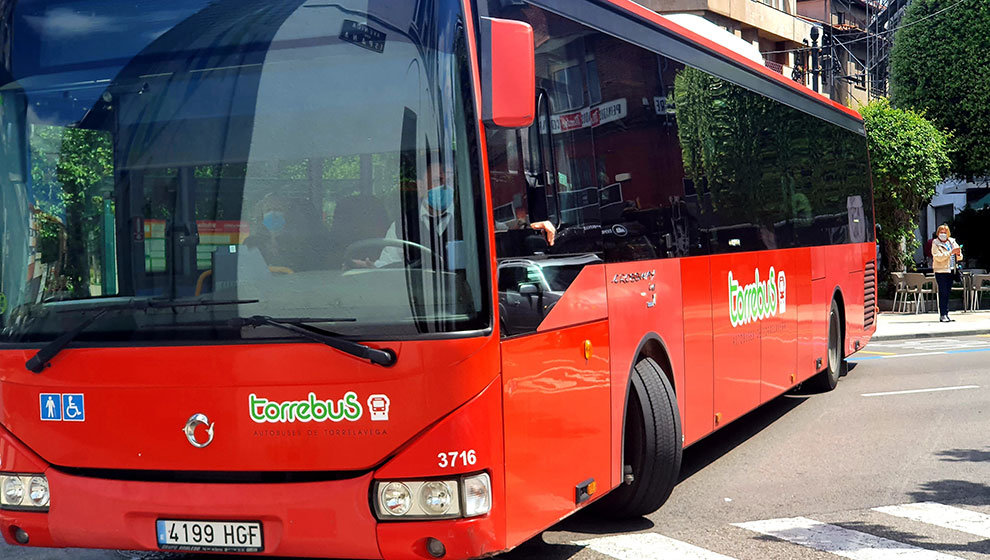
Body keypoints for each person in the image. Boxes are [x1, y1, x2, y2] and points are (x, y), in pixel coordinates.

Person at [931, 224, 963, 322]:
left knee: (948, 293)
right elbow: (938, 257)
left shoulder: (952, 242)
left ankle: (947, 313)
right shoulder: (935, 243)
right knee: (943, 292)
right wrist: (950, 252)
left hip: (951, 269)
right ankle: (943, 314)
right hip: (941, 270)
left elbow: (960, 257)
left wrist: (958, 253)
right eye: (941, 232)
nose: (943, 234)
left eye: (945, 232)